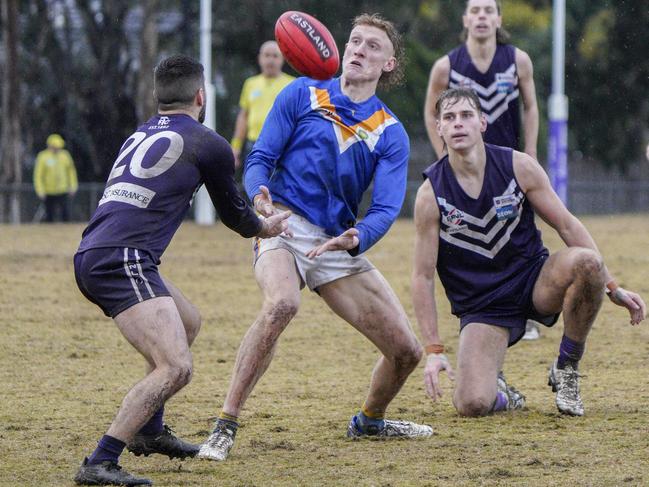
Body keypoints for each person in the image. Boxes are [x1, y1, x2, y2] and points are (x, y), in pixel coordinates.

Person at [198, 13, 433, 463]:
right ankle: (225, 424)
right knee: (283, 304)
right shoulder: (302, 92)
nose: (359, 49)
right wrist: (259, 199)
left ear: (389, 64)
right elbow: (260, 156)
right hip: (282, 224)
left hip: (333, 242)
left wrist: (357, 236)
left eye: (372, 46)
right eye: (355, 40)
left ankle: (369, 422)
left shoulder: (390, 131)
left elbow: (384, 208)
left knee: (406, 352)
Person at [72, 55, 290, 486]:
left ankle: (150, 433)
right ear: (200, 96)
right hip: (123, 258)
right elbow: (234, 215)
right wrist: (265, 226)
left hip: (102, 250)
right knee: (176, 367)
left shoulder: (139, 132)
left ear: (158, 97)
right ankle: (100, 460)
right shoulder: (207, 142)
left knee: (188, 320)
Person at [412, 88, 646, 419]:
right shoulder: (430, 194)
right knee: (471, 404)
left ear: (482, 122)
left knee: (588, 263)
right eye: (449, 117)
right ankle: (504, 393)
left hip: (533, 282)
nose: (458, 124)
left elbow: (566, 225)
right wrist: (433, 349)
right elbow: (422, 276)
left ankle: (567, 366)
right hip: (483, 305)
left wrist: (613, 287)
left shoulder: (518, 166)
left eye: (466, 115)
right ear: (438, 128)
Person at [423, 0, 541, 339]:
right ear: (465, 19)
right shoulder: (446, 66)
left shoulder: (517, 60)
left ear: (499, 18)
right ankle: (480, 307)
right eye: (475, 10)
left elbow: (531, 107)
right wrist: (442, 155)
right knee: (472, 236)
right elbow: (432, 113)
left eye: (489, 10)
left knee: (521, 232)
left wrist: (530, 151)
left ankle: (528, 311)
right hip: (466, 167)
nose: (482, 17)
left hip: (508, 166)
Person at [230, 40, 294, 173]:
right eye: (267, 55)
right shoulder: (250, 83)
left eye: (275, 56)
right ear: (260, 58)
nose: (270, 60)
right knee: (254, 186)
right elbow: (243, 116)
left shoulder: (292, 84)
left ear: (282, 59)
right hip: (254, 144)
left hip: (283, 146)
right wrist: (235, 147)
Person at [33, 133, 78, 222]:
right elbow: (38, 175)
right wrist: (40, 190)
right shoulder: (43, 156)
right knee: (49, 215)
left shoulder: (65, 155)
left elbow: (71, 172)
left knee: (65, 214)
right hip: (48, 191)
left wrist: (73, 186)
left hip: (63, 190)